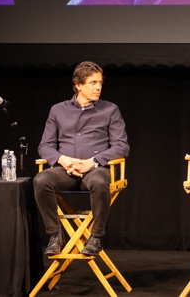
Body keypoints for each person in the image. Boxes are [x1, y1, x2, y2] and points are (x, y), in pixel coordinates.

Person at [34, 61, 129, 257]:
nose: (98, 87)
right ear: (78, 85)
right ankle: (55, 234)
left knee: (101, 181)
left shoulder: (110, 110)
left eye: (100, 83)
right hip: (65, 171)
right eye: (92, 82)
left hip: (94, 170)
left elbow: (122, 146)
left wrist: (92, 162)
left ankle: (96, 237)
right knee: (41, 180)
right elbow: (45, 146)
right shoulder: (58, 110)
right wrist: (63, 160)